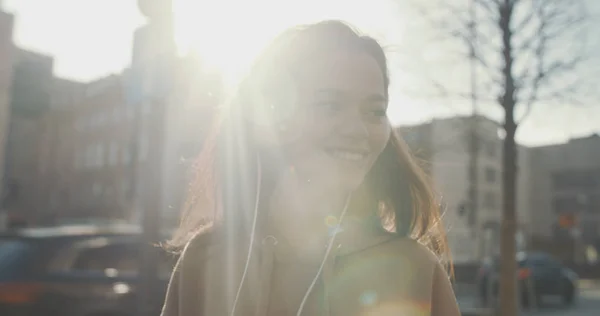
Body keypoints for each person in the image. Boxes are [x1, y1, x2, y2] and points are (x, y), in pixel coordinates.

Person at [161, 20, 460, 316]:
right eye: (330, 105)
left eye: (374, 111)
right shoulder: (206, 261)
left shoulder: (413, 270)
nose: (358, 130)